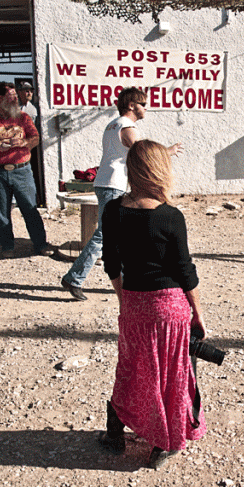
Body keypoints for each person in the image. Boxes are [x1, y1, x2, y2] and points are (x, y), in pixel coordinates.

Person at [98, 140, 206, 468]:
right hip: (171, 309)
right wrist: (198, 315)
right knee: (173, 375)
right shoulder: (170, 216)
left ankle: (114, 433)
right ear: (161, 171)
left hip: (134, 305)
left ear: (132, 170)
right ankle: (165, 442)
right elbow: (185, 271)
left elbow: (111, 264)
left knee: (132, 370)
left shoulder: (113, 210)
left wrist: (124, 300)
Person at [60, 86, 182, 301]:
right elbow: (142, 155)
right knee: (105, 235)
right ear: (131, 105)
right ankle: (75, 278)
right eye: (143, 104)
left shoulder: (113, 125)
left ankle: (127, 282)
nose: (146, 108)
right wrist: (167, 152)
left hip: (107, 181)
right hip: (113, 184)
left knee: (117, 234)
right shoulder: (127, 127)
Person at [0, 81, 51, 257]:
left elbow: (35, 138)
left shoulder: (23, 118)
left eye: (16, 96)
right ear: (0, 98)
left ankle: (41, 244)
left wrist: (24, 142)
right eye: (12, 96)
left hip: (21, 170)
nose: (16, 99)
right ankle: (7, 246)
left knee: (30, 209)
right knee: (1, 210)